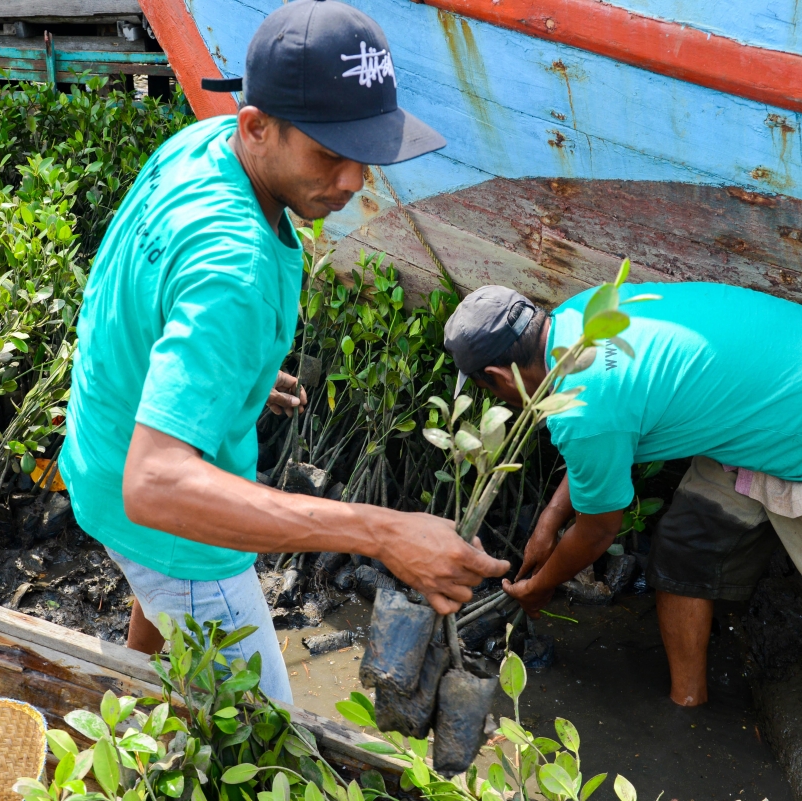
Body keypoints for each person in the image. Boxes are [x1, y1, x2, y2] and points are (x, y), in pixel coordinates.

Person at [59, 0, 508, 704]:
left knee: (161, 606)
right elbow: (157, 485)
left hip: (97, 453)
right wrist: (381, 531)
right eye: (329, 154)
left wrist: (222, 377)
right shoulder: (233, 268)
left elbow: (151, 285)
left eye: (366, 153)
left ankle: (124, 705)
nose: (354, 181)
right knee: (267, 732)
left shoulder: (204, 145)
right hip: (160, 516)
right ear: (256, 127)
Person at [443, 282, 802, 800]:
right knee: (684, 553)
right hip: (777, 398)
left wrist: (541, 587)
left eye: (488, 389)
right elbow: (600, 441)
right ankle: (686, 704)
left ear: (497, 376)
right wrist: (546, 524)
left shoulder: (586, 408)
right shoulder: (582, 317)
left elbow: (600, 525)